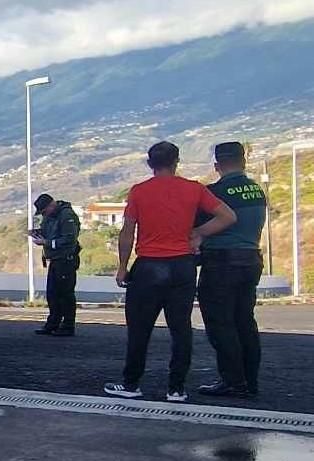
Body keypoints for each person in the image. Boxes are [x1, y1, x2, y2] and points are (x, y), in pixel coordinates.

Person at [104, 141, 236, 403]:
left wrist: (122, 267)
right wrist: (198, 233)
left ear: (150, 164)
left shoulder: (139, 192)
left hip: (149, 266)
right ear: (177, 162)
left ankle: (131, 383)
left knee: (140, 329)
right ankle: (176, 388)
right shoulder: (194, 189)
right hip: (183, 266)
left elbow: (127, 232)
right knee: (180, 328)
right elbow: (228, 216)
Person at [195, 141, 268, 399]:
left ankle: (232, 381)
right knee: (245, 321)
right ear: (243, 161)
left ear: (217, 165)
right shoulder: (256, 190)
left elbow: (196, 228)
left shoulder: (215, 192)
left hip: (221, 263)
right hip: (251, 261)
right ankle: (250, 380)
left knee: (221, 324)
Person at [29, 194, 82, 336]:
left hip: (66, 259)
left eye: (45, 211)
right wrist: (37, 233)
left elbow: (69, 238)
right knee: (53, 294)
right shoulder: (50, 217)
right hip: (55, 259)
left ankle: (67, 325)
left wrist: (47, 243)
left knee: (65, 294)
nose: (44, 215)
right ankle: (53, 323)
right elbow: (48, 232)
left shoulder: (67, 215)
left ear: (52, 206)